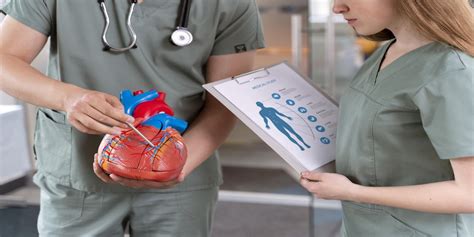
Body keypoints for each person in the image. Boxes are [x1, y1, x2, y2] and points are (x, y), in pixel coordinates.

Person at [0, 0, 264, 236]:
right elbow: (4, 59)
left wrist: (177, 164)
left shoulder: (231, 4)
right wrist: (67, 97)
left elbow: (225, 103)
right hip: (77, 169)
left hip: (185, 169)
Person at [299, 0, 474, 236]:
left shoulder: (452, 71)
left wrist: (353, 193)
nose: (337, 7)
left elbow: (469, 193)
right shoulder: (387, 51)